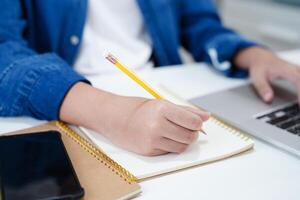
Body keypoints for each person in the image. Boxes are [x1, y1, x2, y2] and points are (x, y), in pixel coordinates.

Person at [1, 0, 300, 156]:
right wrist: (113, 115)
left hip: (161, 92)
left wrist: (252, 56)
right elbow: (5, 48)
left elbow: (200, 23)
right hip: (70, 103)